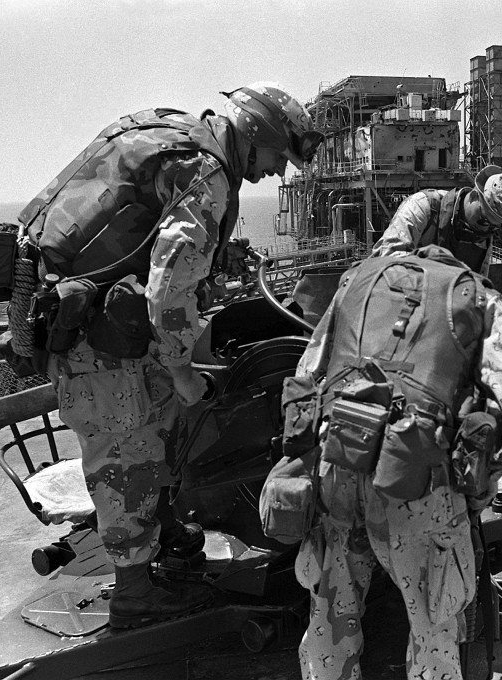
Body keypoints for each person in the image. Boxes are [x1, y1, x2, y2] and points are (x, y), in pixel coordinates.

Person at [16, 82, 323, 629]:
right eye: (279, 158)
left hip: (105, 329)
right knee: (125, 459)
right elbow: (169, 292)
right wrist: (183, 370)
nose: (278, 173)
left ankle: (160, 537)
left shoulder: (174, 136)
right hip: (99, 348)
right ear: (255, 138)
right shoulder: (207, 176)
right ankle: (135, 594)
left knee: (155, 429)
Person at [291, 245, 502, 680]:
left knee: (331, 615)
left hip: (340, 461)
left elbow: (308, 371)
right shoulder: (474, 295)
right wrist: (486, 484)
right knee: (433, 627)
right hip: (418, 483)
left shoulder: (357, 279)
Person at [371, 164, 502, 274]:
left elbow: (478, 289)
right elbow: (388, 262)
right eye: (484, 219)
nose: (485, 229)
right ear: (473, 196)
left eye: (493, 227)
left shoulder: (483, 239)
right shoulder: (422, 207)